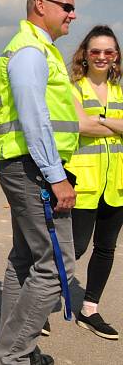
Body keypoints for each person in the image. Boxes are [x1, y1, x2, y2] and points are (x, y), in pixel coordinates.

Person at [0, 0, 79, 365]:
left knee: (24, 260)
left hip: (25, 166)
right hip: (34, 170)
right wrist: (56, 176)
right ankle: (12, 357)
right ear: (40, 6)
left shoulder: (38, 48)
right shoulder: (30, 51)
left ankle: (17, 352)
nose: (72, 14)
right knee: (58, 267)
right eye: (67, 6)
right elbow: (34, 119)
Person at [62, 25, 123, 340]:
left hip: (116, 184)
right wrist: (116, 125)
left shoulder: (119, 91)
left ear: (116, 57)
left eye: (108, 51)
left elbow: (88, 124)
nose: (102, 56)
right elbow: (79, 125)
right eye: (95, 51)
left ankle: (90, 309)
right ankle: (37, 306)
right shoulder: (73, 89)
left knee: (106, 247)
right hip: (82, 182)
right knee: (74, 248)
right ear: (84, 54)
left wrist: (96, 121)